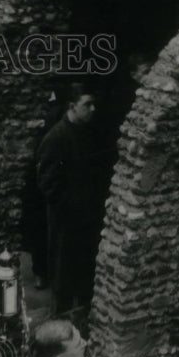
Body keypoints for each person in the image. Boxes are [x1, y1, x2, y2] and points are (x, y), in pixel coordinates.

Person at [32, 82, 114, 312]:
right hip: (66, 224)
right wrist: (73, 208)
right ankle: (60, 325)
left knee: (86, 278)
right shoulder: (56, 138)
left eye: (93, 104)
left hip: (88, 221)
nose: (93, 109)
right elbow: (48, 184)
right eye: (87, 105)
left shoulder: (90, 133)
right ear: (72, 106)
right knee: (64, 279)